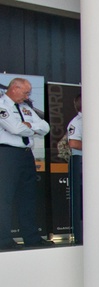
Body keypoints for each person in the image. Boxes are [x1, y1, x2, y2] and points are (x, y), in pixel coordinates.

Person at [0, 78, 50, 249]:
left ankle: (32, 238)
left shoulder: (26, 108)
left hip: (26, 155)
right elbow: (15, 129)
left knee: (28, 198)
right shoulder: (2, 106)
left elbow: (45, 126)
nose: (28, 95)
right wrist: (32, 128)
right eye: (26, 92)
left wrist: (30, 126)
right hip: (6, 155)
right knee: (4, 198)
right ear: (14, 88)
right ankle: (4, 240)